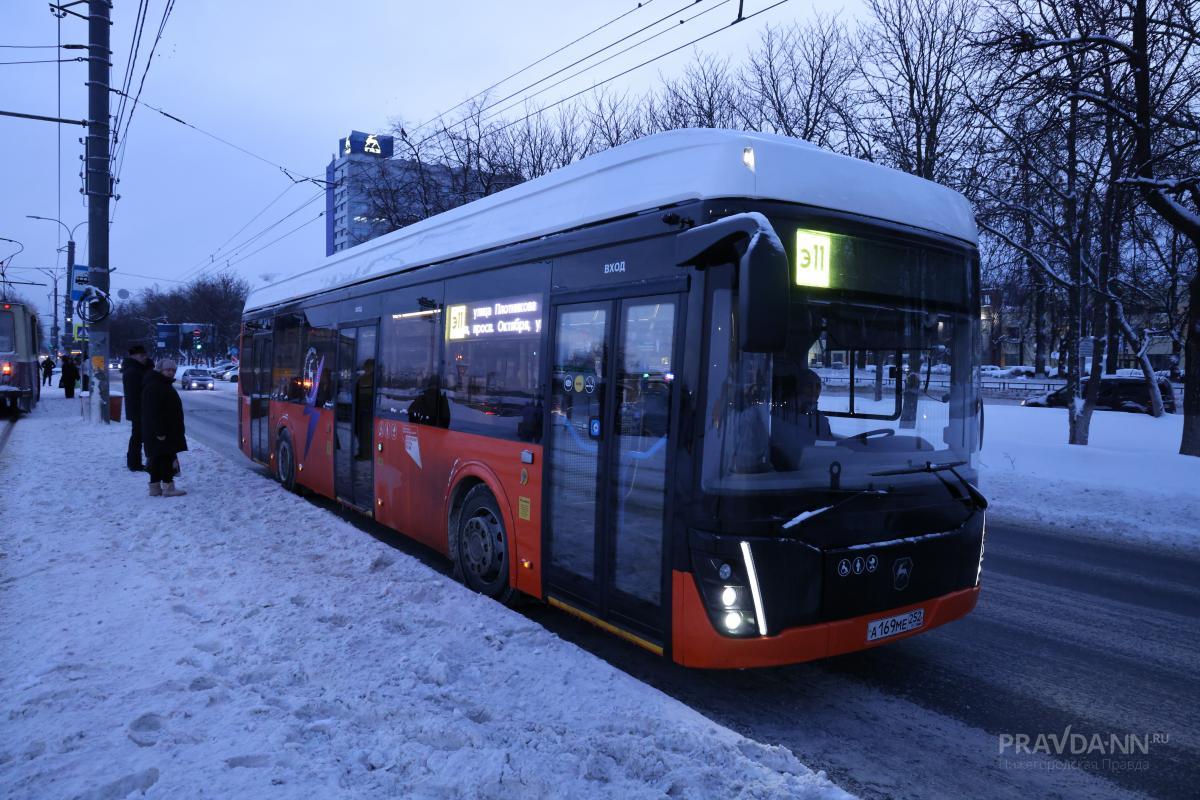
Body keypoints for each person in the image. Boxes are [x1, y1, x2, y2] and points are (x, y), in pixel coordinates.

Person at [141, 358, 188, 497]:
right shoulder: (156, 386)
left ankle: (154, 487)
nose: (171, 373)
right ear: (160, 370)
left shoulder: (160, 384)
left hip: (161, 430)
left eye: (173, 370)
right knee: (166, 458)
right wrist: (160, 432)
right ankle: (168, 487)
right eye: (168, 370)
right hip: (162, 431)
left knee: (156, 458)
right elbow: (153, 411)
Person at [121, 345, 152, 471]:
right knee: (138, 437)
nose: (144, 358)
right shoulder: (133, 371)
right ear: (133, 356)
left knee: (139, 436)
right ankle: (134, 463)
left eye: (145, 355)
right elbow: (138, 392)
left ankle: (134, 462)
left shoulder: (136, 368)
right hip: (139, 409)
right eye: (141, 355)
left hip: (138, 409)